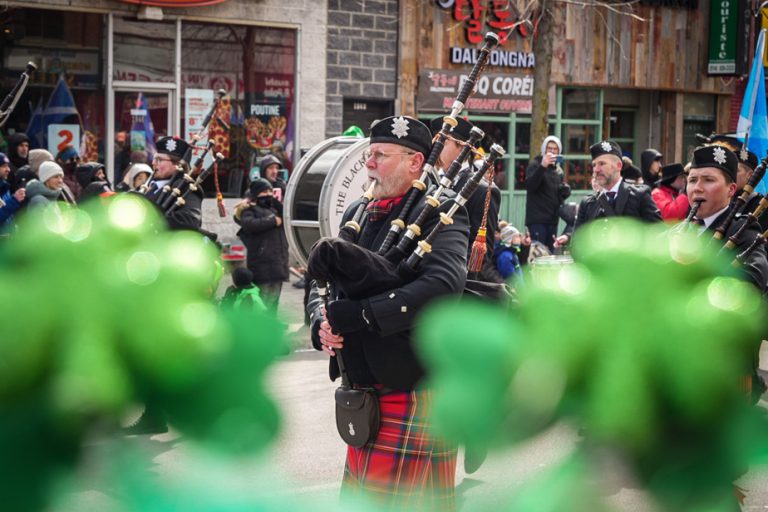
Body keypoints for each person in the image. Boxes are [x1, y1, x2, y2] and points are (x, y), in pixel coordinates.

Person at [307, 115, 469, 509]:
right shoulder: (357, 214)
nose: (370, 163)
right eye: (369, 154)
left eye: (381, 154)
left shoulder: (440, 212)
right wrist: (321, 322)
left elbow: (443, 286)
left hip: (411, 382)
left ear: (415, 162)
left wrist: (362, 314)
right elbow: (320, 280)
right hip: (362, 387)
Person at [429, 116, 501, 282]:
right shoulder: (431, 182)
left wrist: (454, 277)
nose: (436, 147)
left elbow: (481, 253)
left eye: (443, 142)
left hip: (455, 280)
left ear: (462, 147)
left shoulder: (482, 190)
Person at [568, 140, 662, 238]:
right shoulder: (588, 203)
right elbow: (576, 243)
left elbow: (658, 233)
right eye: (594, 165)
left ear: (619, 166)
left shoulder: (639, 196)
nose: (596, 169)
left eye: (602, 164)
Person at [234, 178, 289, 314]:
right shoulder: (250, 210)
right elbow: (249, 224)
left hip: (278, 264)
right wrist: (272, 221)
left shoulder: (274, 209)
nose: (268, 194)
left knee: (274, 302)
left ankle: (271, 327)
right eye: (264, 191)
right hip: (262, 266)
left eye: (270, 190)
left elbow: (287, 215)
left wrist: (277, 202)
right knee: (261, 303)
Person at [145, 136, 202, 231]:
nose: (153, 163)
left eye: (159, 159)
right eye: (154, 159)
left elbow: (191, 220)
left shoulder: (186, 187)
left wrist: (151, 222)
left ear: (178, 165)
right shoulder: (151, 186)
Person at [524, 135, 570, 252]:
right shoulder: (535, 164)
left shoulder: (558, 170)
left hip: (553, 220)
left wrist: (564, 192)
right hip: (537, 220)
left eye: (555, 149)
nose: (552, 151)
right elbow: (530, 186)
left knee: (550, 255)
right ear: (544, 149)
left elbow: (555, 196)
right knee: (538, 255)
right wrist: (542, 166)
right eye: (549, 148)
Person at [0, 152, 25, 236]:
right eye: (4, 166)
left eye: (8, 166)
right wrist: (14, 200)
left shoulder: (4, 187)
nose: (8, 169)